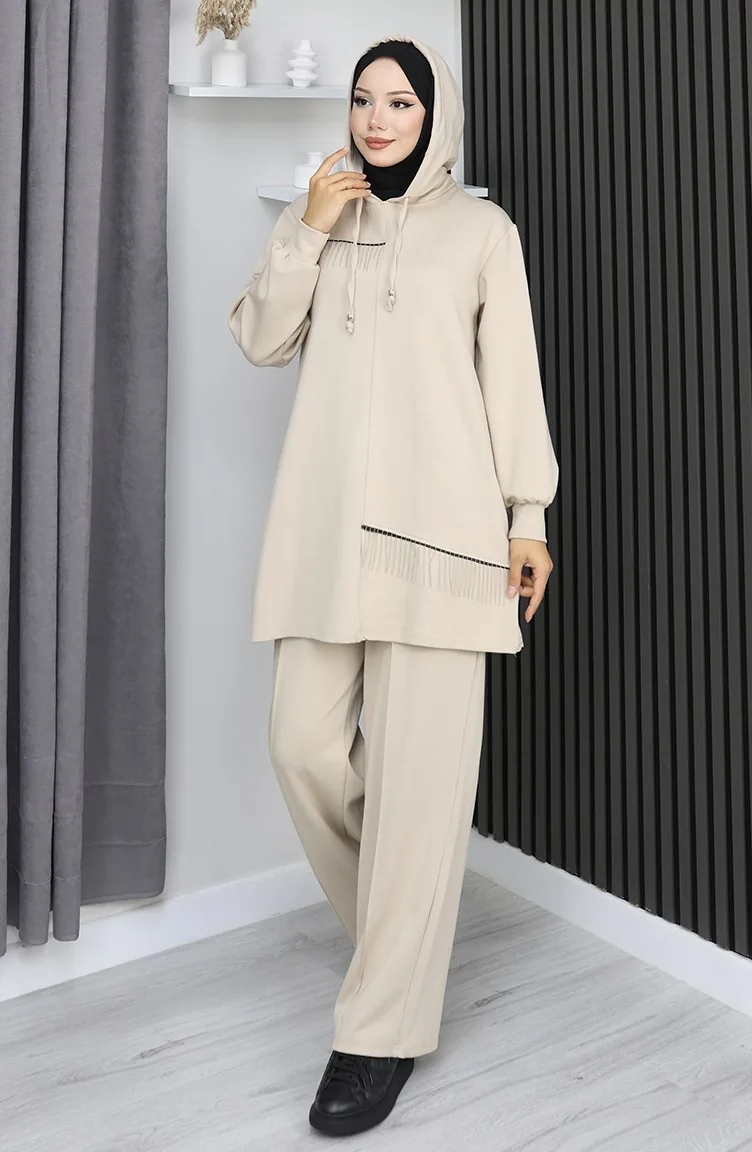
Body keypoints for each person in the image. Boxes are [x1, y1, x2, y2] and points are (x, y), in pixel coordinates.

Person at [229, 35, 558, 1139]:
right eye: (363, 99)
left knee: (419, 794)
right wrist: (308, 227)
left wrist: (527, 517)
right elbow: (260, 339)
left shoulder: (481, 233)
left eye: (400, 101)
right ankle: (399, 947)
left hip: (444, 544)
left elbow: (511, 381)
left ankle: (376, 1034)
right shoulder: (319, 215)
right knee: (302, 748)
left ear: (434, 113)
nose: (377, 119)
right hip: (326, 537)